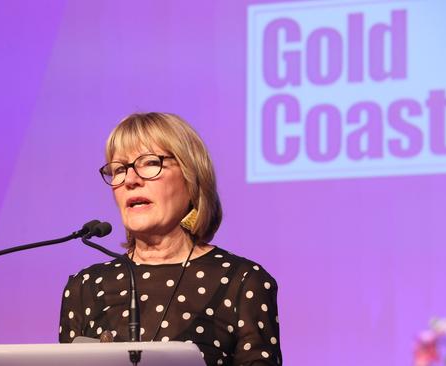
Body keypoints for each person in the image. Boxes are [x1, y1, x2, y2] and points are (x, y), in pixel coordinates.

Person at [59, 112, 282, 365]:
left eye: (150, 163)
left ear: (190, 177)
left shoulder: (242, 282)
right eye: (119, 169)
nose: (131, 180)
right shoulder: (86, 287)